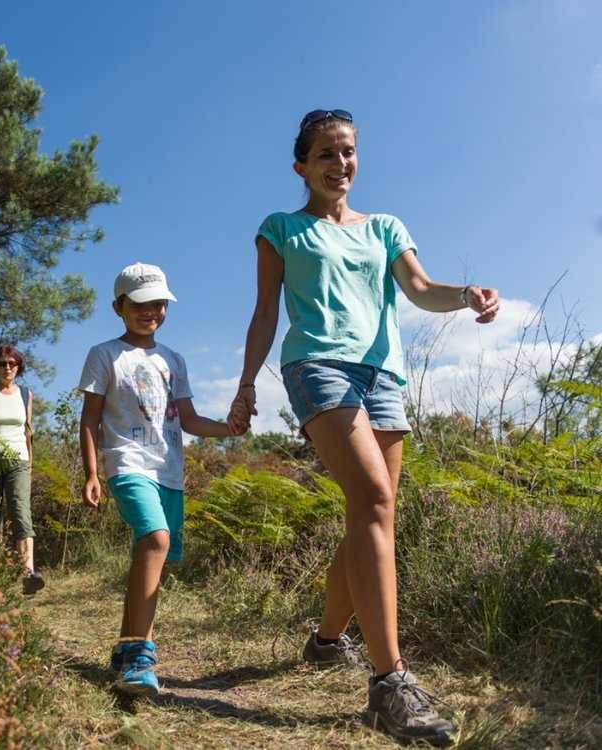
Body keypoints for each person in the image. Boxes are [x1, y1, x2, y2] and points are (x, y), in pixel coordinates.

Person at [228, 109, 500, 746]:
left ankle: (326, 641)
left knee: (370, 515)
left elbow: (421, 287)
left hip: (384, 378)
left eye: (347, 152)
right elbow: (266, 312)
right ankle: (390, 682)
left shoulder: (385, 228)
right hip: (316, 368)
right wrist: (245, 384)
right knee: (374, 500)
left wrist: (467, 296)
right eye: (325, 153)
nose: (339, 163)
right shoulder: (281, 229)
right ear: (301, 165)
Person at [79, 262, 245, 696]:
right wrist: (92, 472)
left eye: (158, 303)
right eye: (139, 303)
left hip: (168, 471)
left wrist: (227, 428)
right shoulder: (104, 354)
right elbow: (89, 420)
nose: (150, 310)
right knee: (155, 539)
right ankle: (139, 655)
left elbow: (188, 420)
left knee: (153, 556)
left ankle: (123, 646)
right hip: (126, 462)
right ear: (119, 307)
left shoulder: (174, 360)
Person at [0, 345, 45, 596]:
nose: (8, 367)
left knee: (21, 512)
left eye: (13, 363)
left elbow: (28, 430)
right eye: (2, 363)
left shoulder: (26, 394)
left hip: (19, 462)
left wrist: (30, 462)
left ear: (19, 367)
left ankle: (28, 574)